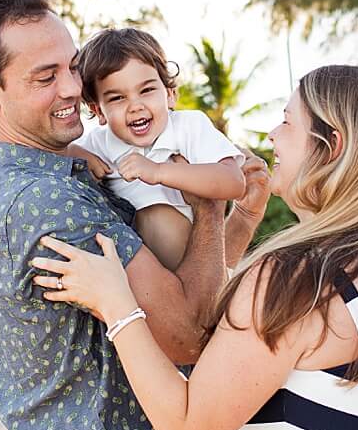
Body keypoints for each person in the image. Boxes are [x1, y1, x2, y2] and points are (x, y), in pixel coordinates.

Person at [33, 65, 358, 430]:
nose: (272, 135)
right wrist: (236, 221)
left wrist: (116, 305)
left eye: (287, 121)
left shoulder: (293, 280)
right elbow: (257, 362)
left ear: (333, 145)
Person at [0, 0, 270, 430]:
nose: (73, 88)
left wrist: (236, 220)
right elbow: (190, 335)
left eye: (73, 68)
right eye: (44, 76)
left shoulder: (62, 179)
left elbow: (190, 286)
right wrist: (209, 202)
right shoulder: (46, 201)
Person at [73, 26, 246, 271]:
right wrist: (72, 154)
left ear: (170, 94)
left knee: (158, 217)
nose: (136, 106)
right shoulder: (97, 143)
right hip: (138, 275)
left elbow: (233, 182)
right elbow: (46, 153)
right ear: (99, 112)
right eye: (117, 98)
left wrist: (160, 172)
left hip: (197, 269)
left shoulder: (188, 127)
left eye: (147, 90)